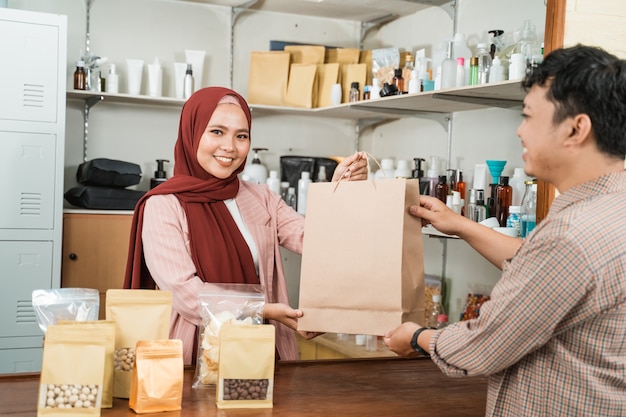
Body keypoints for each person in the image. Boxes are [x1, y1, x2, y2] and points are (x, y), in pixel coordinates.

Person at [384, 44, 626, 416]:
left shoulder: (569, 236)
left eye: (528, 116)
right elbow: (540, 271)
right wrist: (461, 225)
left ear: (576, 128)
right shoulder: (610, 210)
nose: (519, 131)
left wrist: (416, 337)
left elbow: (483, 346)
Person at [124, 86, 368, 365]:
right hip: (198, 357)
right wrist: (262, 310)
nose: (230, 146)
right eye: (216, 132)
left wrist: (340, 192)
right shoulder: (163, 205)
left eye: (241, 136)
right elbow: (186, 294)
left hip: (264, 351)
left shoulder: (260, 197)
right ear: (192, 133)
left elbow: (315, 241)